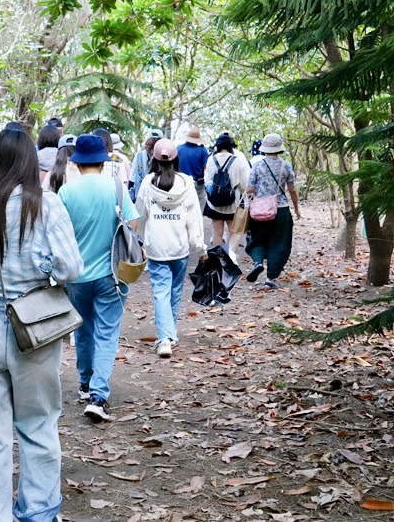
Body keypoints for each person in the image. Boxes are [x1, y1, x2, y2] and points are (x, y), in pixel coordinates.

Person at [0, 128, 83, 522]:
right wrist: (38, 267)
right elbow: (70, 268)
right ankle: (38, 513)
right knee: (38, 424)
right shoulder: (46, 205)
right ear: (28, 164)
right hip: (34, 324)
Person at [57, 135, 139, 422]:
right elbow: (133, 224)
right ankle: (98, 396)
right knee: (107, 333)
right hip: (112, 275)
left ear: (76, 163)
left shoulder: (66, 192)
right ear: (103, 161)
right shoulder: (116, 188)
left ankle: (84, 382)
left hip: (76, 275)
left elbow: (58, 231)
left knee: (83, 328)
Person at [134, 139, 204, 359]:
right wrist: (200, 247)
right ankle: (169, 335)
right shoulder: (186, 183)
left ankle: (165, 338)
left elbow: (140, 214)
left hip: (157, 247)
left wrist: (140, 238)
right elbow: (194, 219)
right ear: (176, 159)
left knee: (161, 292)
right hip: (179, 247)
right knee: (174, 291)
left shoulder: (147, 182)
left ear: (153, 159)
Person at [245, 133, 302, 290]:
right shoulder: (286, 166)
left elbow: (249, 189)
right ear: (279, 149)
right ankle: (271, 278)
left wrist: (257, 197)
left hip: (258, 211)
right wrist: (296, 208)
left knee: (256, 239)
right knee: (280, 243)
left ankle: (257, 262)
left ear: (264, 149)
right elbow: (292, 190)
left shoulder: (257, 166)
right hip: (280, 210)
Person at [203, 132, 250, 250]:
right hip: (232, 202)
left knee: (217, 233)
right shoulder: (238, 160)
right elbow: (245, 184)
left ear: (217, 146)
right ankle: (231, 258)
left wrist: (213, 194)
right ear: (231, 146)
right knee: (233, 232)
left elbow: (207, 182)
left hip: (214, 204)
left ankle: (219, 259)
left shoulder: (211, 159)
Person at [177, 125, 210, 209]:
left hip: (181, 182)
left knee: (182, 205)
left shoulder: (178, 149)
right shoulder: (202, 150)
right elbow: (207, 168)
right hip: (198, 182)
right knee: (198, 206)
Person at [129, 129, 161, 201]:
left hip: (141, 194)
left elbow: (132, 177)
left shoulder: (139, 155)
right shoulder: (163, 155)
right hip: (158, 195)